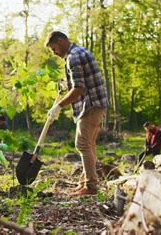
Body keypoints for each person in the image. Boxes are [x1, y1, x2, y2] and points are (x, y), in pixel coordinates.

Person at [44, 31, 108, 196]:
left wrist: (59, 105)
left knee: (82, 144)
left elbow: (79, 88)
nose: (55, 53)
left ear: (60, 41)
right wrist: (67, 83)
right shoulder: (79, 52)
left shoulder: (73, 57)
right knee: (89, 144)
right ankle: (85, 182)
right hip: (97, 103)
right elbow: (80, 80)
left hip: (91, 104)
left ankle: (91, 186)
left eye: (54, 49)